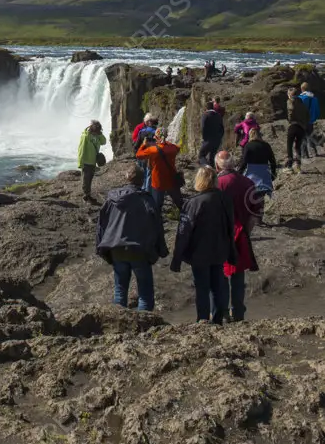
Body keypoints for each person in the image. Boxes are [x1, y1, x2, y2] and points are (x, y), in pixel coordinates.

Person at [96, 164, 167, 312]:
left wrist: (101, 247)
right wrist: (161, 250)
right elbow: (157, 225)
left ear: (127, 178)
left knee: (120, 290)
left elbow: (102, 224)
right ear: (142, 181)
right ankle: (144, 328)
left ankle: (118, 321)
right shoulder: (146, 199)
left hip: (116, 247)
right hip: (139, 249)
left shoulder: (112, 198)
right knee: (145, 293)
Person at [170, 167, 236, 324]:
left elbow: (183, 232)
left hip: (199, 253)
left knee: (202, 288)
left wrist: (177, 257)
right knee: (217, 285)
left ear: (199, 181)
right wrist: (231, 250)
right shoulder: (225, 199)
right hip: (219, 249)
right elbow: (230, 225)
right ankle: (218, 318)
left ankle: (203, 320)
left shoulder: (193, 203)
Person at [216, 151, 262, 322]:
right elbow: (256, 211)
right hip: (241, 234)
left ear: (217, 166)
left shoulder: (217, 184)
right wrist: (247, 230)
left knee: (220, 276)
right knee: (238, 277)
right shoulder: (248, 182)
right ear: (233, 164)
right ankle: (238, 313)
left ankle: (223, 312)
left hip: (221, 237)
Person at [136, 127, 183, 212]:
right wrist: (166, 143)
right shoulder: (173, 148)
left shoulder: (153, 150)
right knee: (180, 204)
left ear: (157, 137)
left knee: (157, 208)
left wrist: (144, 145)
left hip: (158, 182)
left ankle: (157, 222)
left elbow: (138, 155)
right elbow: (177, 147)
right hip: (172, 180)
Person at [238, 128, 277, 197]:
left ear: (250, 135)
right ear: (260, 135)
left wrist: (239, 174)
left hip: (252, 176)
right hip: (264, 175)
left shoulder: (248, 146)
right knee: (262, 197)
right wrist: (273, 174)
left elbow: (244, 162)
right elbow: (272, 161)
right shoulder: (266, 145)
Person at [78, 120, 107, 202]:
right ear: (92, 129)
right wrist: (80, 162)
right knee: (86, 180)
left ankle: (88, 195)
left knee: (90, 179)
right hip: (86, 162)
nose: (97, 133)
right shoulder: (85, 136)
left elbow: (104, 142)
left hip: (93, 162)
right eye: (96, 131)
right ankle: (85, 197)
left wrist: (100, 134)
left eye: (98, 131)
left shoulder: (97, 135)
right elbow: (81, 149)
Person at [286, 86, 310, 171]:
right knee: (298, 146)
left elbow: (291, 109)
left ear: (289, 94)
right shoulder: (302, 104)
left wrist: (290, 119)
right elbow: (307, 116)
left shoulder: (290, 101)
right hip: (301, 127)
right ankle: (298, 165)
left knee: (289, 145)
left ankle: (289, 165)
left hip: (293, 125)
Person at [199, 101, 225, 167]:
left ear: (206, 108)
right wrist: (219, 138)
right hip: (217, 140)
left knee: (201, 155)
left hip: (208, 140)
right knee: (212, 156)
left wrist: (204, 138)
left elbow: (203, 127)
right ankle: (214, 172)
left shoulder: (205, 115)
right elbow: (222, 128)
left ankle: (207, 168)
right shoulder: (218, 115)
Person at [299, 82, 321, 159]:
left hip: (302, 121)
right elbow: (317, 110)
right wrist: (314, 117)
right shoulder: (315, 98)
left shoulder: (300, 98)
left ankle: (305, 154)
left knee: (303, 138)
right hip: (311, 120)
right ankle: (315, 152)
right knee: (311, 136)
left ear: (302, 89)